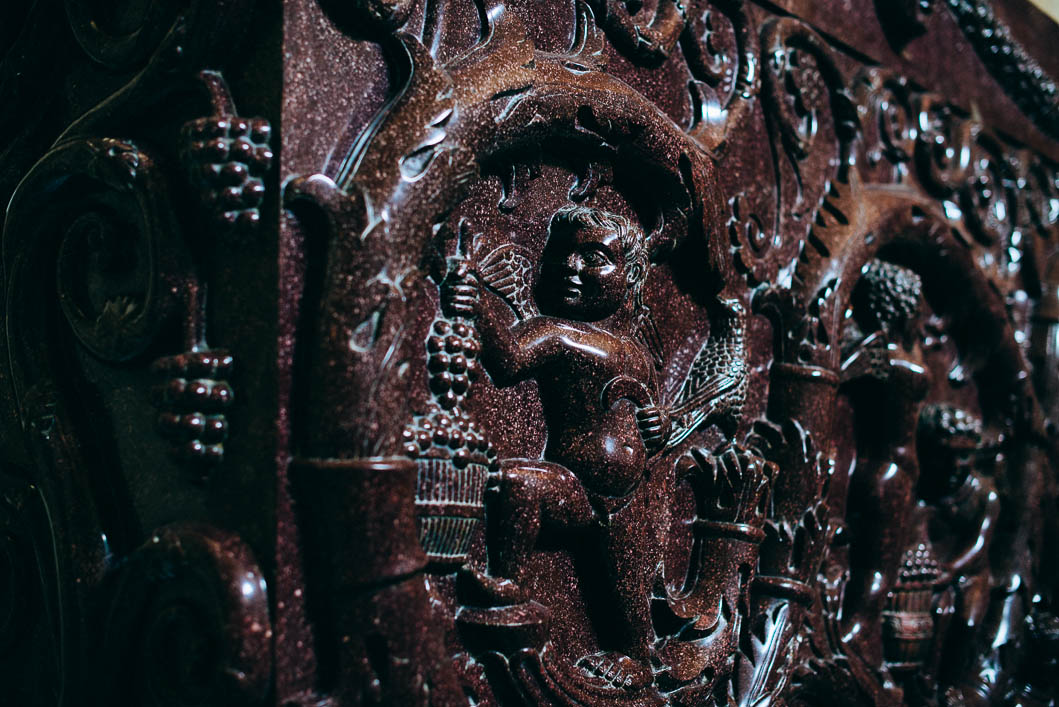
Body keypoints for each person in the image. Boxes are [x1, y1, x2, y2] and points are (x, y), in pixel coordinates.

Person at [443, 205, 669, 690]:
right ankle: (508, 584)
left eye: (594, 258)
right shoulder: (553, 332)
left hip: (629, 501)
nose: (572, 267)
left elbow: (650, 415)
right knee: (517, 483)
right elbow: (507, 359)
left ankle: (635, 656)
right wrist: (476, 305)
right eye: (562, 255)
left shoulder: (637, 353)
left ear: (630, 276)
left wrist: (657, 426)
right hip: (575, 489)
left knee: (626, 590)